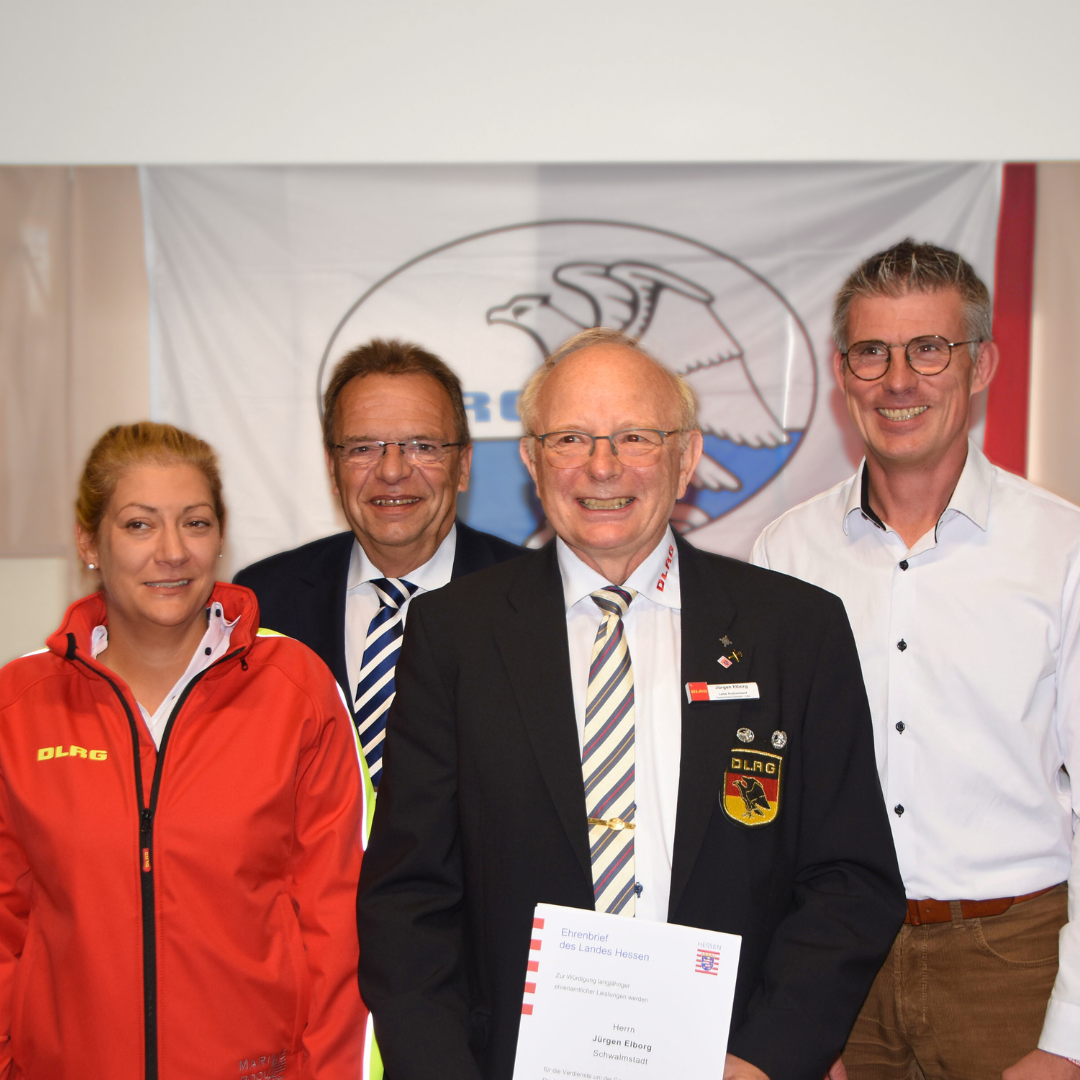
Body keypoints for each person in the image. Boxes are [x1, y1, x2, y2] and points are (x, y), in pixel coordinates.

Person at [357, 328, 905, 1080]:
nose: (603, 466)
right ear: (531, 460)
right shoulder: (454, 634)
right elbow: (409, 896)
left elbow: (851, 881)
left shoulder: (794, 631)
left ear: (687, 457)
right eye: (570, 438)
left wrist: (768, 1058)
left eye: (636, 437)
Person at [752, 239, 1080, 1078]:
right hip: (835, 964)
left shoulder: (1061, 548)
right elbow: (762, 805)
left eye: (929, 349)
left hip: (1012, 962)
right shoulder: (784, 553)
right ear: (843, 374)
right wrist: (785, 1021)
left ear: (981, 365)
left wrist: (1069, 1037)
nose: (899, 380)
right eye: (873, 352)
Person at [0, 423, 366, 1079]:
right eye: (139, 525)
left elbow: (338, 929)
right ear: (89, 542)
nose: (171, 552)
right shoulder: (20, 706)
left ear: (220, 538)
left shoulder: (296, 690)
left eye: (195, 523)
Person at [235, 338, 522, 788]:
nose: (392, 471)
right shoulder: (265, 600)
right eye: (363, 448)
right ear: (332, 468)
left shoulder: (534, 598)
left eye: (422, 445)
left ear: (463, 465)